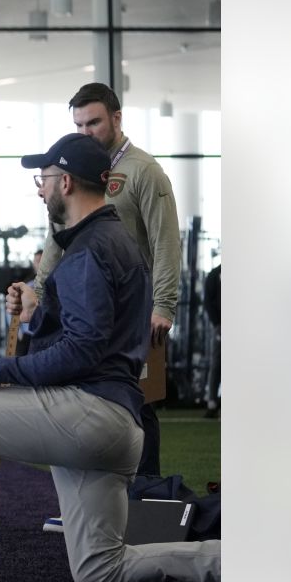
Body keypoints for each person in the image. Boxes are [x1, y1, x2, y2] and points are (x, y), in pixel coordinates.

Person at [0, 133, 220, 582]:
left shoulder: (86, 252)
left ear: (65, 182)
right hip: (120, 426)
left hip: (88, 415)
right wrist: (37, 315)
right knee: (99, 570)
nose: (40, 188)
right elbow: (90, 337)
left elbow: (81, 352)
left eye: (43, 179)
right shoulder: (114, 242)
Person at [36, 82, 181, 479]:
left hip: (134, 310)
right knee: (80, 396)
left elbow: (166, 241)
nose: (85, 132)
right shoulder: (76, 168)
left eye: (93, 123)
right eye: (79, 125)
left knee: (138, 401)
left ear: (116, 118)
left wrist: (163, 305)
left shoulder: (144, 171)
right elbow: (56, 235)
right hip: (84, 305)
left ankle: (146, 496)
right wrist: (37, 290)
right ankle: (91, 498)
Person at [203, 263, 221, 418]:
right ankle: (212, 402)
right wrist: (217, 324)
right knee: (217, 363)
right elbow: (208, 301)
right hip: (221, 326)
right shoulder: (215, 274)